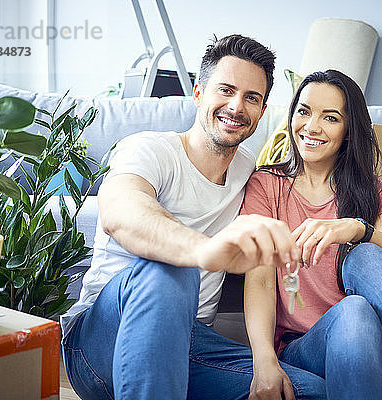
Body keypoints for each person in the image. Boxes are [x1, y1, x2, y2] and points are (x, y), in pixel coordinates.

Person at [60, 35, 326, 400]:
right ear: (199, 93)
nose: (236, 107)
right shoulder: (148, 148)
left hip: (191, 341)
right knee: (173, 268)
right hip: (103, 339)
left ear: (262, 111)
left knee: (308, 392)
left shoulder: (250, 171)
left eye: (252, 98)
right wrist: (205, 251)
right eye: (226, 90)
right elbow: (121, 212)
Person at [242, 70, 382, 399]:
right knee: (354, 311)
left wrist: (358, 229)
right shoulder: (267, 185)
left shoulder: (371, 189)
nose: (312, 126)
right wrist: (263, 362)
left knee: (367, 255)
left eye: (330, 118)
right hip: (307, 350)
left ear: (348, 131)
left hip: (379, 351)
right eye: (304, 111)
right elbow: (260, 279)